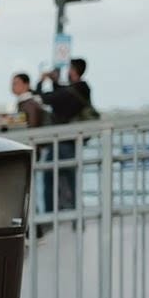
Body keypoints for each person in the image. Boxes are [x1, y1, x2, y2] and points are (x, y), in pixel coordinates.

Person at [37, 59, 96, 220]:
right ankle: (76, 218)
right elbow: (60, 95)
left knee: (51, 178)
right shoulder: (81, 89)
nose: (67, 72)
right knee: (71, 179)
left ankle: (50, 218)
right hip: (70, 141)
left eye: (69, 68)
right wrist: (54, 82)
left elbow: (47, 98)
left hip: (63, 141)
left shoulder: (75, 89)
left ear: (74, 70)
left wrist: (41, 83)